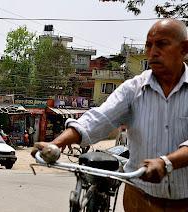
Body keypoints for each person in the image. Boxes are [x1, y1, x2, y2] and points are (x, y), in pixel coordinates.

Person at [32, 19, 188, 211]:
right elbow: (99, 118)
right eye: (149, 45)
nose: (153, 51)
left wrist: (166, 163)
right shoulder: (133, 89)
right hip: (139, 199)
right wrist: (55, 145)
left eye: (162, 44)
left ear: (184, 49)